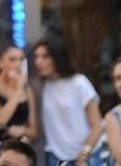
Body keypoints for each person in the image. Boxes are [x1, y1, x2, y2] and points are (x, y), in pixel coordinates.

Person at [33, 37, 103, 166]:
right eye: (36, 57)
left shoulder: (79, 83)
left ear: (58, 57)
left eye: (45, 56)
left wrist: (84, 156)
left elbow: (97, 126)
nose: (39, 62)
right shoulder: (41, 87)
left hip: (87, 156)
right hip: (56, 157)